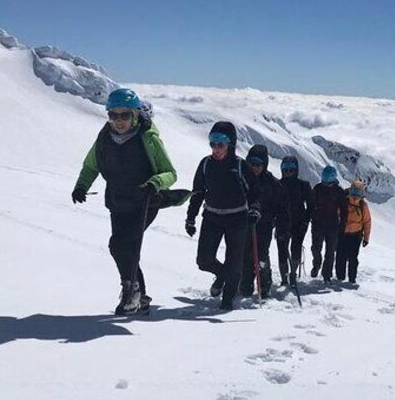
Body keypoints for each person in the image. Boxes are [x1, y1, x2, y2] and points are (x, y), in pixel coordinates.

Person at [72, 88, 177, 315]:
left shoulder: (148, 139)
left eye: (124, 115)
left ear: (135, 114)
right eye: (113, 115)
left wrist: (154, 183)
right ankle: (141, 298)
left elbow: (170, 173)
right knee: (126, 250)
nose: (118, 121)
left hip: (144, 203)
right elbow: (91, 166)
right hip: (117, 203)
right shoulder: (104, 139)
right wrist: (81, 186)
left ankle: (130, 293)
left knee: (119, 246)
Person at [185, 121, 261, 311]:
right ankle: (222, 276)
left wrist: (254, 209)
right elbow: (198, 192)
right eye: (212, 142)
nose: (216, 148)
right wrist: (190, 217)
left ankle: (227, 302)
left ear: (231, 144)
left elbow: (255, 191)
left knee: (234, 262)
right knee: (203, 260)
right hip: (212, 216)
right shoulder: (206, 164)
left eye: (220, 143)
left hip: (238, 219)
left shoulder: (240, 165)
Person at [241, 144, 290, 299]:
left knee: (261, 255)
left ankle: (265, 285)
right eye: (251, 163)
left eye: (258, 164)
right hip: (243, 224)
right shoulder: (242, 178)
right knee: (245, 255)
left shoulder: (273, 183)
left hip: (265, 225)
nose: (254, 167)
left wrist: (282, 228)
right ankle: (246, 285)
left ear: (265, 164)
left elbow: (283, 208)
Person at [276, 156, 314, 286]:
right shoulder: (277, 184)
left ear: (296, 169)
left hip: (299, 224)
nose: (288, 172)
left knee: (295, 249)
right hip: (282, 223)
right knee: (282, 251)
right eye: (285, 169)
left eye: (291, 169)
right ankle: (284, 278)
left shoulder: (303, 185)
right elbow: (272, 205)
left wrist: (305, 222)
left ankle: (292, 274)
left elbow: (311, 206)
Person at [310, 165, 347, 283]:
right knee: (316, 248)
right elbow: (311, 204)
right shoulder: (317, 188)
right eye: (324, 180)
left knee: (330, 252)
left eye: (328, 181)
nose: (325, 183)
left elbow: (344, 209)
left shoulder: (339, 191)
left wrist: (342, 225)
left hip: (333, 226)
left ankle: (327, 275)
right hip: (317, 224)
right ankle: (317, 264)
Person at [336, 179, 371, 284]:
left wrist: (366, 238)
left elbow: (367, 222)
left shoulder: (363, 206)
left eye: (358, 193)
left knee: (353, 258)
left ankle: (352, 279)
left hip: (356, 235)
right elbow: (336, 215)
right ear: (350, 191)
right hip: (342, 233)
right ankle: (340, 278)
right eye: (353, 192)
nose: (355, 195)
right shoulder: (344, 202)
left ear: (362, 194)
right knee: (340, 256)